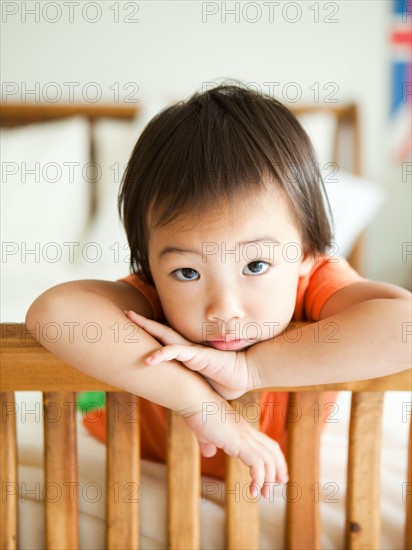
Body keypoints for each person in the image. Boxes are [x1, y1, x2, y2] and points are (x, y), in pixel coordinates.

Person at [26, 84, 411, 500]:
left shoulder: (317, 281)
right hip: (140, 449)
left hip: (275, 462)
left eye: (256, 265)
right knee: (87, 399)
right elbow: (53, 313)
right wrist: (201, 405)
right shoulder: (152, 297)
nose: (224, 309)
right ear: (151, 265)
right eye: (188, 272)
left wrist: (250, 371)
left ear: (306, 252)